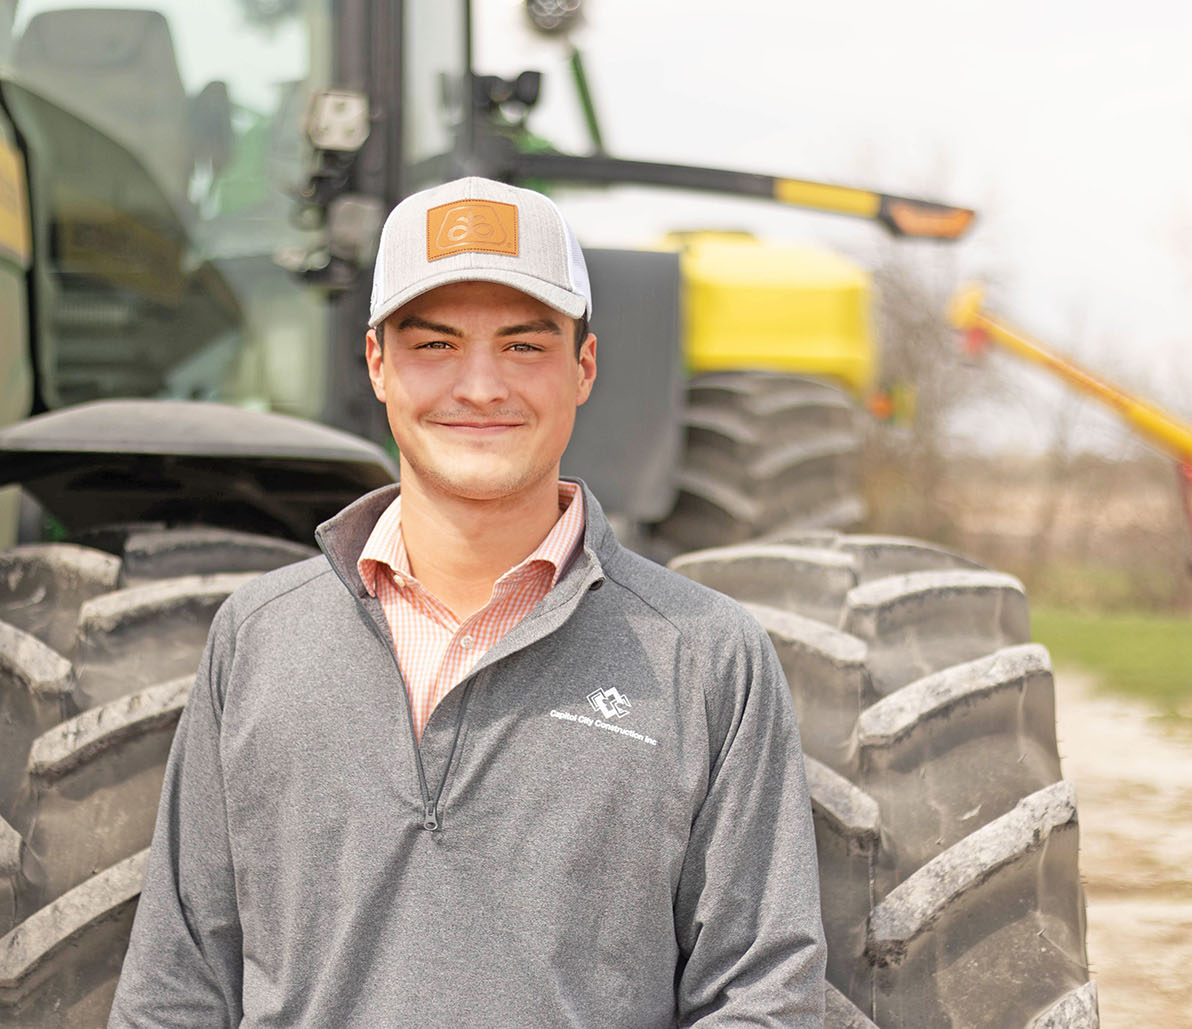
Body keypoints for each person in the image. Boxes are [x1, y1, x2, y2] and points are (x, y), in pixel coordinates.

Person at [110, 177, 826, 1026]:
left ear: (584, 367)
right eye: (436, 345)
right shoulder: (259, 638)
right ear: (377, 364)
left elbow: (760, 995)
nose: (481, 387)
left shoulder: (707, 656)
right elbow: (176, 988)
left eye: (524, 347)